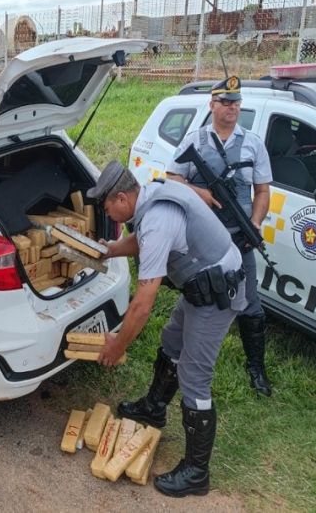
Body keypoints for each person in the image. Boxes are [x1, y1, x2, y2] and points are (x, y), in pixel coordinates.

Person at [88, 160, 246, 497]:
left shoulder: (158, 219)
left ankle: (196, 473)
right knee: (172, 341)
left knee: (195, 376)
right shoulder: (153, 194)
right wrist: (113, 249)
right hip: (200, 284)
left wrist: (118, 345)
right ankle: (154, 408)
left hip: (217, 294)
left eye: (106, 208)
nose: (109, 215)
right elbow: (143, 239)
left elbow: (143, 303)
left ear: (120, 198)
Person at [166, 76, 273, 397]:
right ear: (212, 105)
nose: (233, 108)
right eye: (226, 102)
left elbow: (263, 190)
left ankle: (256, 368)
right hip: (202, 243)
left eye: (237, 102)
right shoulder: (195, 141)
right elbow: (171, 178)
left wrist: (254, 222)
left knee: (251, 304)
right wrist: (199, 191)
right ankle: (180, 352)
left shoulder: (253, 143)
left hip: (239, 238)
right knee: (195, 296)